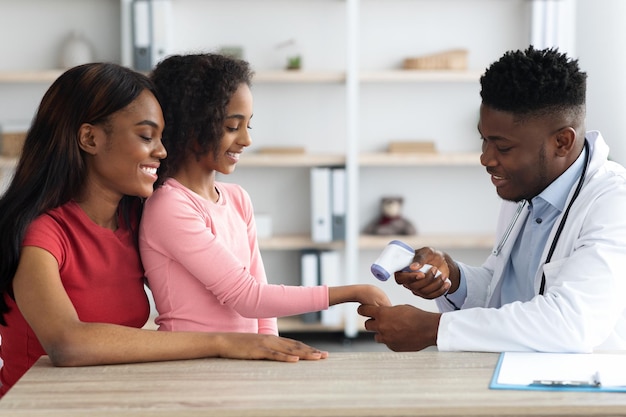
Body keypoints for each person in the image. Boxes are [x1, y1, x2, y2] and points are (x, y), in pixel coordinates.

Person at [0, 63, 330, 398]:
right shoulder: (40, 234)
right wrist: (221, 341)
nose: (162, 151)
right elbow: (67, 344)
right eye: (146, 136)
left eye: (162, 136)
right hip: (35, 405)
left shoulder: (133, 224)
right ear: (90, 138)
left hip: (108, 401)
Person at [359, 46, 626, 353]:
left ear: (561, 142)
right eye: (484, 140)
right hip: (515, 375)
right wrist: (453, 278)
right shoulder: (524, 189)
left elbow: (571, 324)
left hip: (585, 390)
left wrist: (434, 329)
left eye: (503, 147)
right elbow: (503, 291)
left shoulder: (613, 204)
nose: (486, 159)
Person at [139, 53, 390, 334]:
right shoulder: (169, 206)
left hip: (237, 363)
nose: (246, 140)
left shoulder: (237, 199)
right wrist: (351, 292)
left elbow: (262, 306)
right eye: (232, 127)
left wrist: (268, 353)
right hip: (191, 366)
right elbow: (247, 297)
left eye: (248, 125)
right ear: (191, 127)